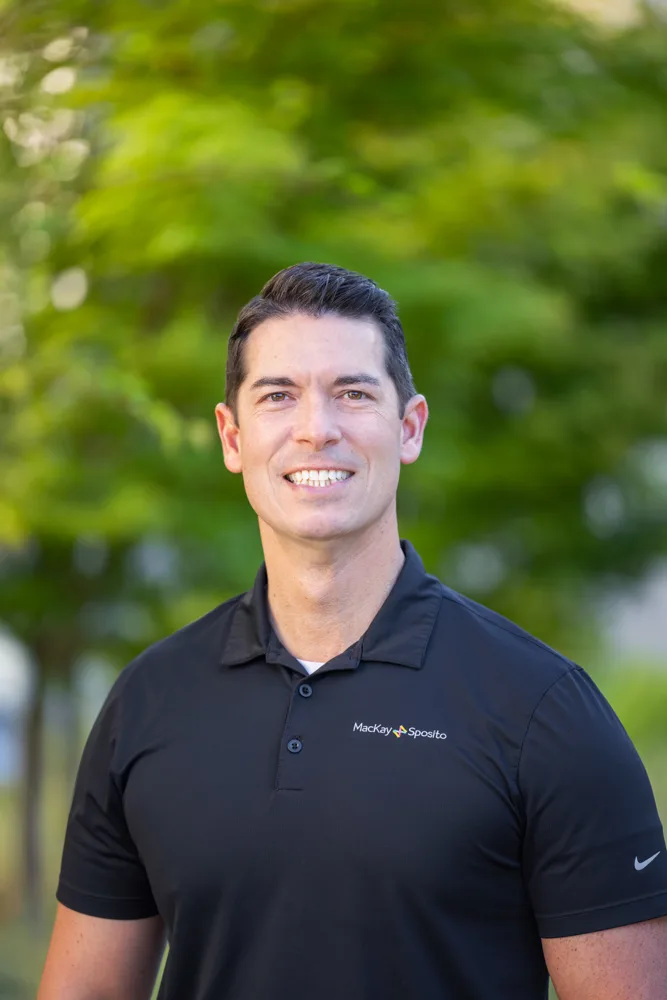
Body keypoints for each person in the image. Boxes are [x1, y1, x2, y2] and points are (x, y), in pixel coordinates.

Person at [38, 262, 667, 1000]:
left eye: (353, 393)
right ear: (231, 436)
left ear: (408, 428)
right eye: (278, 396)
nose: (316, 429)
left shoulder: (544, 710)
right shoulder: (147, 702)